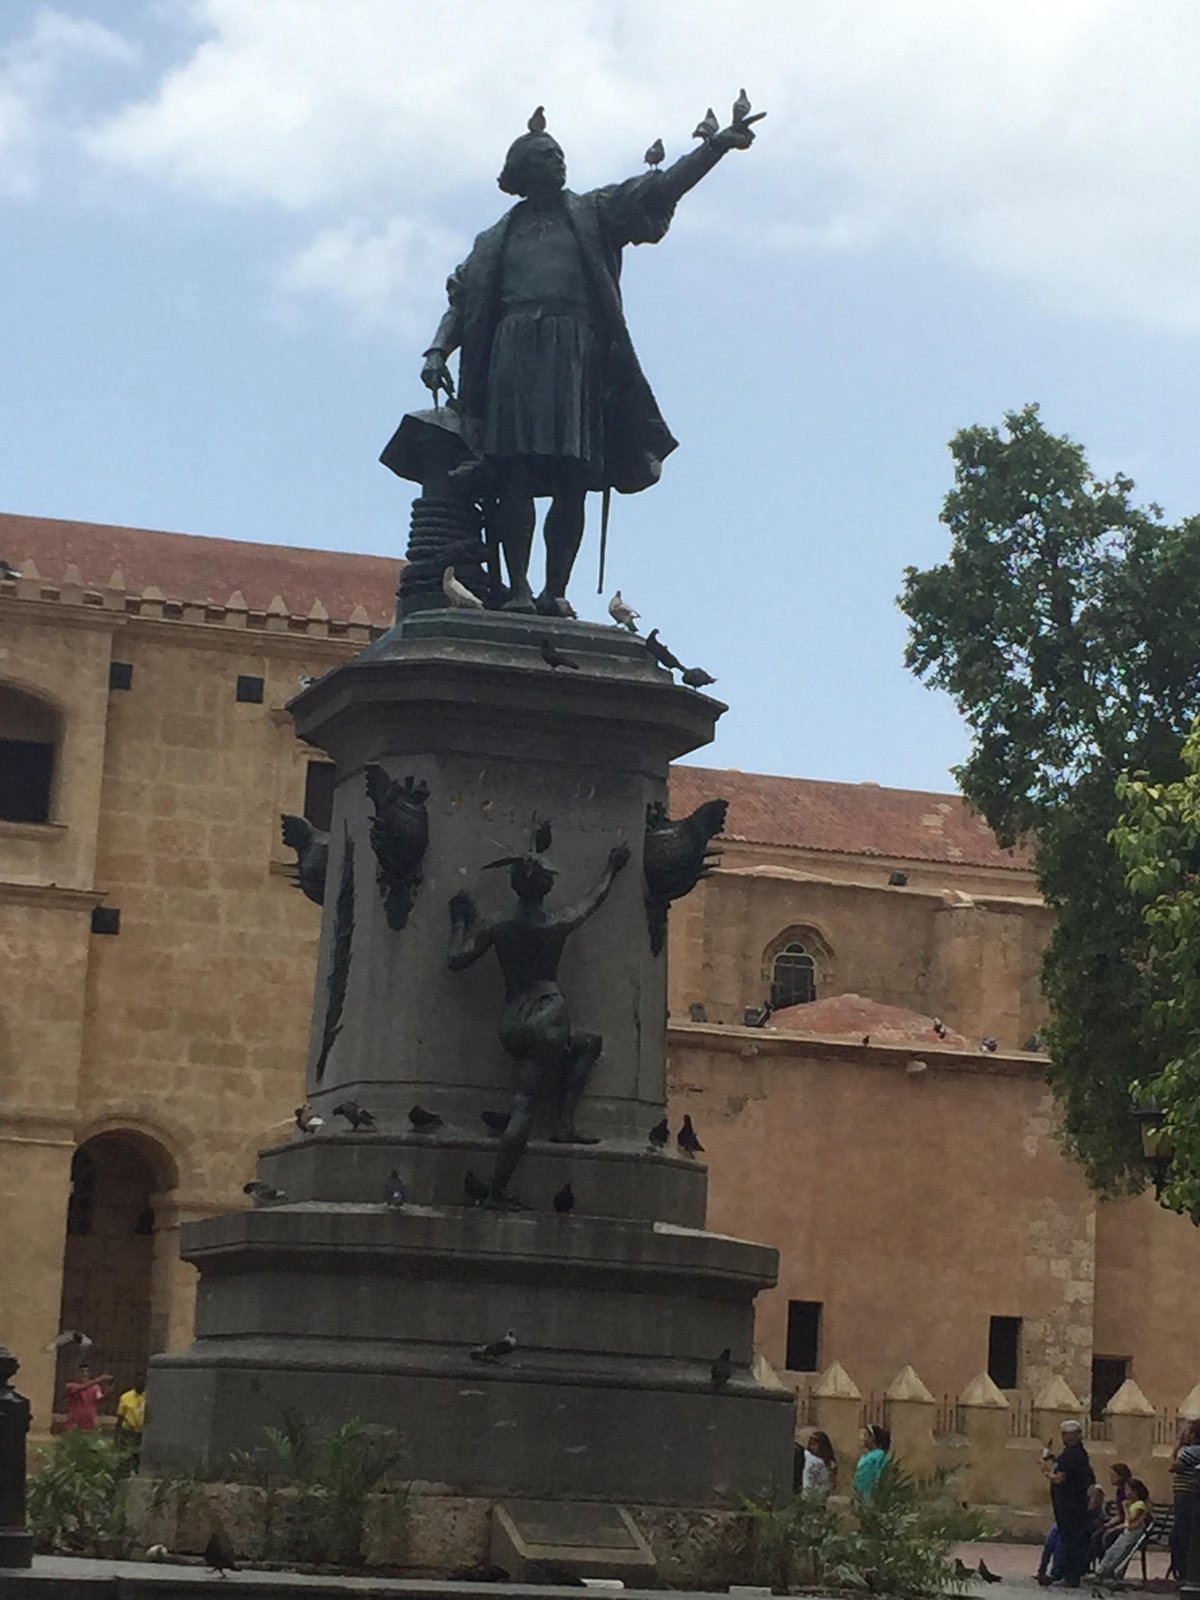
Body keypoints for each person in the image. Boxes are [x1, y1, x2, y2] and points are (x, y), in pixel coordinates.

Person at [419, 101, 761, 614]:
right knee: (512, 473)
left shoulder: (594, 212)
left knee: (572, 478)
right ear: (524, 171)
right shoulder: (494, 240)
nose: (559, 163)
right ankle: (517, 589)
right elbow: (463, 302)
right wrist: (438, 350)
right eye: (547, 157)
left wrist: (714, 147)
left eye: (560, 156)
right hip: (513, 353)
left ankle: (556, 591)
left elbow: (659, 187)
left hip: (575, 353)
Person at [1048, 1419, 1095, 1588]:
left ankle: (1070, 1576)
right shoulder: (1078, 1453)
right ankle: (1066, 1572)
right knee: (1070, 1539)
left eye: (1065, 1433)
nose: (1063, 1437)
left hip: (1070, 1505)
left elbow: (1061, 1478)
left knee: (1070, 1540)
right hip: (1073, 1503)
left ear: (1074, 1435)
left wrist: (1047, 1474)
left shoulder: (1071, 1454)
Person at [1094, 1478, 1150, 1583]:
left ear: (1135, 1492)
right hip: (1127, 1532)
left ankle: (1109, 1571)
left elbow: (1130, 1521)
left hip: (1133, 1533)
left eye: (1127, 1490)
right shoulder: (1131, 1504)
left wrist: (1125, 1508)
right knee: (1112, 1550)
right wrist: (1113, 1528)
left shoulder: (1139, 1505)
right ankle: (1101, 1570)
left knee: (1120, 1552)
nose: (1125, 1493)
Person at [1170, 1420, 1200, 1581]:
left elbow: (1173, 1466)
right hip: (1186, 1496)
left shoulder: (1192, 1451)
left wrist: (1177, 1447)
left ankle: (1185, 1573)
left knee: (1183, 1535)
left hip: (1186, 1496)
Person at [1088, 1462, 1133, 1568]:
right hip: (1121, 1521)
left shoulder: (1127, 1491)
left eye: (1113, 1476)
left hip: (1127, 1523)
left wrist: (1111, 1526)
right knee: (1096, 1535)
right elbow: (1119, 1513)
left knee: (1107, 1536)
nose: (1110, 1478)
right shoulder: (1119, 1491)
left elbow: (1125, 1515)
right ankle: (1100, 1564)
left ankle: (1108, 1566)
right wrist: (1108, 1523)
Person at [63, 1364, 112, 1432]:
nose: (84, 1374)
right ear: (77, 1373)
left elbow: (100, 1398)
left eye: (86, 1372)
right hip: (74, 1423)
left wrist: (107, 1393)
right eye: (82, 1372)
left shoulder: (96, 1387)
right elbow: (81, 1387)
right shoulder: (71, 1385)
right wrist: (100, 1379)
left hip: (90, 1423)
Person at [853, 1423, 891, 1500]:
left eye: (865, 1435)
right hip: (861, 1495)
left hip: (872, 1496)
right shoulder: (866, 1456)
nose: (862, 1438)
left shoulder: (880, 1455)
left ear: (872, 1438)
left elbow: (881, 1474)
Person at [800, 1429, 838, 1502]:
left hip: (821, 1498)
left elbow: (833, 1482)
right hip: (807, 1496)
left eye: (814, 1445)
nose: (812, 1447)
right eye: (810, 1444)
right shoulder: (808, 1457)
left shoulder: (830, 1463)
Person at [115, 1374, 147, 1458]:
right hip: (129, 1432)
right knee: (127, 1456)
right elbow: (120, 1416)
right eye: (138, 1382)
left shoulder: (150, 1397)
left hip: (144, 1433)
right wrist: (117, 1435)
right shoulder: (125, 1397)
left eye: (142, 1382)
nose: (140, 1384)